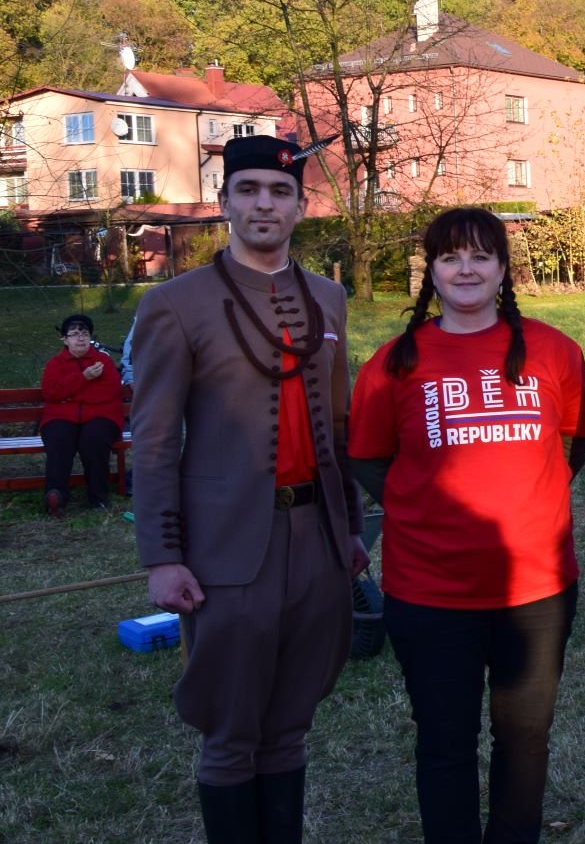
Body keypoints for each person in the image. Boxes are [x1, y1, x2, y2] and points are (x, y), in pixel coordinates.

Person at [131, 133, 366, 842]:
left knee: (291, 723)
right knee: (233, 730)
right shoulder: (174, 304)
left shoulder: (328, 297)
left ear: (301, 205)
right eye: (250, 191)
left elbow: (341, 422)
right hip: (226, 546)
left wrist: (351, 530)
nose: (265, 204)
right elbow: (152, 439)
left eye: (280, 192)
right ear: (225, 202)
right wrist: (162, 556)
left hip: (316, 541)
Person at [348, 208, 585, 844]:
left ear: (503, 268)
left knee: (526, 740)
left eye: (481, 256)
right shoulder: (393, 363)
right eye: (451, 256)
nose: (466, 268)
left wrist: (525, 499)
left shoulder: (553, 351)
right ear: (430, 269)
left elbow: (574, 441)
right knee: (444, 744)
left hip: (535, 589)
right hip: (429, 594)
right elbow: (369, 456)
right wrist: (428, 502)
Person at [38, 313, 125, 515]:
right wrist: (83, 378)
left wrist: (69, 395)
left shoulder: (102, 361)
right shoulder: (55, 364)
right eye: (75, 334)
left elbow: (110, 392)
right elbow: (51, 393)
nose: (80, 338)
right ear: (65, 339)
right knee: (59, 439)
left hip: (101, 416)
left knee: (94, 439)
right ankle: (55, 495)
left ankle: (98, 497)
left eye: (85, 333)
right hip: (61, 417)